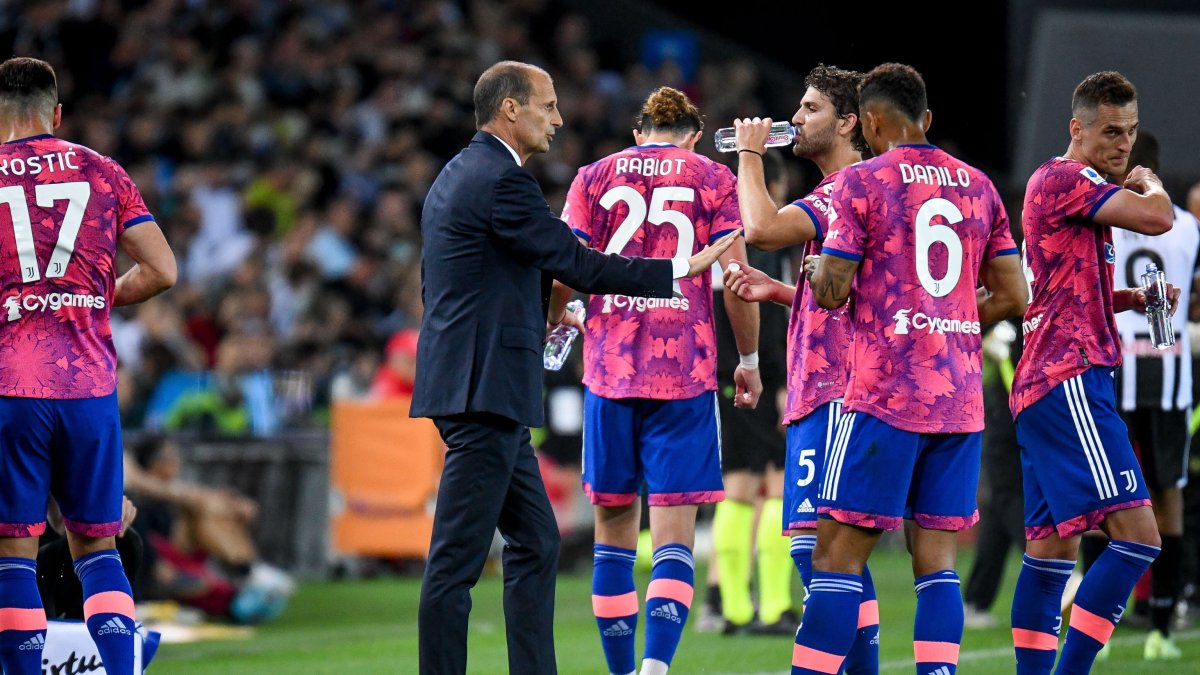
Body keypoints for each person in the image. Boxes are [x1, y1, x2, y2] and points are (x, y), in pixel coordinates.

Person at [411, 61, 738, 675]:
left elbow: (461, 281)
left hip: (481, 386)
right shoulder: (502, 181)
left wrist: (538, 319)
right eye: (548, 104)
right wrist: (678, 271)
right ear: (511, 109)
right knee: (455, 562)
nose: (558, 118)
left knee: (536, 543)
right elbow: (574, 261)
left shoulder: (459, 174)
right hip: (483, 392)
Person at [791, 63, 1027, 675]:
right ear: (927, 119)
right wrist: (946, 316)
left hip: (881, 394)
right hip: (958, 397)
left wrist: (815, 272)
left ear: (868, 122)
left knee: (836, 558)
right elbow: (1015, 294)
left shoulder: (861, 182)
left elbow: (835, 289)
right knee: (938, 565)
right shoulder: (978, 186)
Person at [557, 85, 763, 675]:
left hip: (609, 372)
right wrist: (747, 360)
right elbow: (738, 279)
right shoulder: (712, 177)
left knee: (613, 534)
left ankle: (622, 671)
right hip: (685, 373)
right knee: (674, 534)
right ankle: (656, 670)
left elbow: (564, 273)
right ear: (695, 135)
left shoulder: (594, 176)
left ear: (637, 133)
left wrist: (560, 321)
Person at [0, 57, 177, 675]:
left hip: (11, 383)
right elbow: (163, 270)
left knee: (13, 555)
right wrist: (91, 296)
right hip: (88, 385)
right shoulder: (101, 171)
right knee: (99, 548)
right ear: (55, 114)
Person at [1009, 71, 1176, 674]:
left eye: (1130, 133)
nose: (1123, 145)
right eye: (1110, 131)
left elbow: (1064, 290)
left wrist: (1131, 298)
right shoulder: (1067, 178)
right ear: (1076, 128)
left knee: (1051, 552)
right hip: (1070, 378)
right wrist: (1151, 182)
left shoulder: (1068, 190)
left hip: (1042, 380)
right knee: (1138, 538)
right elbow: (1159, 219)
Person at [722, 64, 882, 668]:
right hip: (836, 383)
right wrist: (785, 292)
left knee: (816, 548)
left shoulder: (845, 188)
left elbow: (760, 227)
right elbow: (853, 298)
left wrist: (749, 154)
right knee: (833, 550)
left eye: (810, 109)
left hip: (836, 389)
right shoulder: (857, 191)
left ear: (846, 122)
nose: (794, 119)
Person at [1077, 131, 1198, 660]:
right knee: (1169, 496)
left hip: (1114, 372)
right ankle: (1163, 629)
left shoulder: (1105, 217)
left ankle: (1093, 630)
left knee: (1101, 499)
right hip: (1171, 376)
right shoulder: (1189, 228)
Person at [704, 148, 792, 637]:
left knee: (736, 487)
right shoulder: (763, 237)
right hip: (758, 373)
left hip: (719, 375)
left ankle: (732, 608)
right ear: (772, 189)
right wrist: (781, 382)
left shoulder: (720, 234)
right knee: (776, 488)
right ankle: (775, 606)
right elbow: (768, 318)